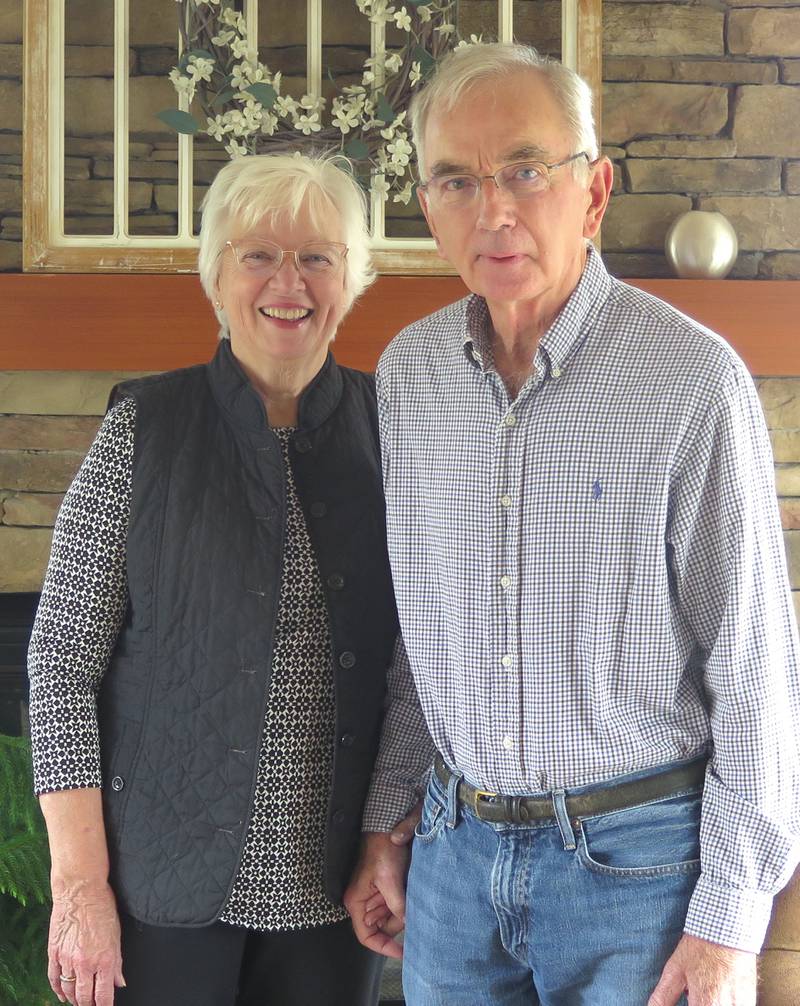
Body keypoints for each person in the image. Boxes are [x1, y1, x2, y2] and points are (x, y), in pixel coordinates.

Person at [343, 43, 800, 1005]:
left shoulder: (691, 382)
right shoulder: (408, 377)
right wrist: (389, 824)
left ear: (592, 193)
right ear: (428, 210)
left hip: (638, 878)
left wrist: (729, 925)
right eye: (458, 180)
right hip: (454, 865)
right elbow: (424, 642)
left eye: (524, 170)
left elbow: (755, 669)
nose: (494, 208)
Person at [28, 152, 400, 1006]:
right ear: (216, 276)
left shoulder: (397, 439)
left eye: (317, 256)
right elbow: (59, 668)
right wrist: (80, 888)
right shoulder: (143, 432)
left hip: (335, 890)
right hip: (161, 886)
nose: (288, 281)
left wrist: (389, 837)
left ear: (350, 279)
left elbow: (417, 665)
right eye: (258, 254)